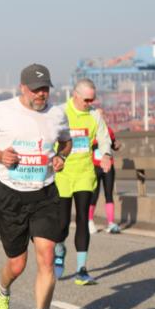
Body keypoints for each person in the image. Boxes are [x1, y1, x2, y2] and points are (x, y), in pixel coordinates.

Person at [0, 63, 72, 309]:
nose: (42, 94)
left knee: (47, 256)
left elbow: (66, 142)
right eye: (37, 89)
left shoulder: (56, 113)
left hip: (45, 194)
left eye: (46, 89)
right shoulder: (3, 111)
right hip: (11, 196)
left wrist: (61, 157)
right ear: (23, 88)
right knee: (17, 264)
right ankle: (3, 291)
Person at [52, 79, 113, 285]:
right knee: (61, 224)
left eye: (92, 99)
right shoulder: (59, 112)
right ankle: (59, 249)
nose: (90, 103)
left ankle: (81, 269)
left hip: (85, 173)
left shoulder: (95, 116)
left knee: (82, 220)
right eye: (86, 99)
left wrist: (105, 154)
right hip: (63, 174)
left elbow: (105, 139)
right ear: (75, 95)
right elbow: (48, 137)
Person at [90, 123, 121, 233]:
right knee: (94, 194)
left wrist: (116, 146)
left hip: (108, 166)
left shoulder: (108, 130)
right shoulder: (90, 129)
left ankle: (111, 223)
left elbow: (113, 145)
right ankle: (89, 221)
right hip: (94, 166)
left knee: (109, 194)